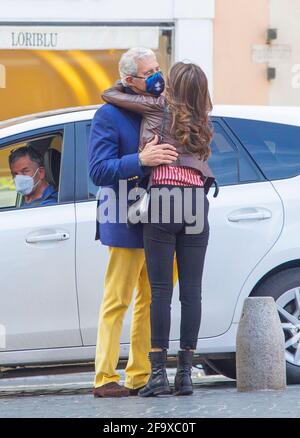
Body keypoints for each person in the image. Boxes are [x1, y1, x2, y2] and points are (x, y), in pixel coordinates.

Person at [102, 61, 215, 397]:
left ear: (173, 86)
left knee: (160, 292)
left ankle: (156, 377)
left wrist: (138, 83)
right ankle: (185, 376)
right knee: (192, 292)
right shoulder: (203, 116)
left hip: (164, 198)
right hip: (196, 200)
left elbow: (109, 94)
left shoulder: (158, 105)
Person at [89, 47, 179, 398]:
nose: (158, 76)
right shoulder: (108, 116)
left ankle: (140, 375)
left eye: (159, 68)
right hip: (125, 218)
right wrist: (140, 159)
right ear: (129, 80)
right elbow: (98, 171)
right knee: (117, 300)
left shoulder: (167, 109)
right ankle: (104, 377)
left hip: (165, 216)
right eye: (149, 72)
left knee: (151, 300)